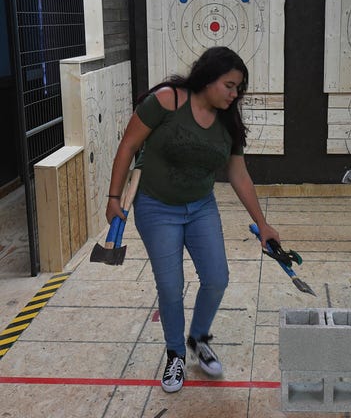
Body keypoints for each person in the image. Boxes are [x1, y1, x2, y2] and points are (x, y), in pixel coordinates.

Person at [105, 46, 280, 393]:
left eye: (238, 88)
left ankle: (198, 339)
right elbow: (127, 146)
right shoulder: (168, 101)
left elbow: (239, 175)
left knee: (216, 278)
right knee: (170, 287)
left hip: (200, 206)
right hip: (157, 207)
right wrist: (113, 198)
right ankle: (175, 356)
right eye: (229, 85)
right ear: (208, 76)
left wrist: (263, 223)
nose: (235, 94)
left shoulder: (227, 122)